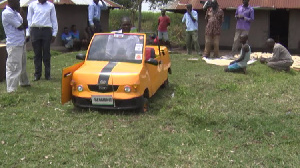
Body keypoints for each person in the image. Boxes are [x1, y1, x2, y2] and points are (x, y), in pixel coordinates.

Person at [2, 0, 30, 93]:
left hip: (21, 42)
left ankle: (24, 82)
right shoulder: (7, 13)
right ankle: (11, 89)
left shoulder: (16, 13)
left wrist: (21, 14)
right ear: (10, 2)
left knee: (22, 64)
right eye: (17, 2)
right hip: (14, 44)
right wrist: (23, 14)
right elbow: (21, 26)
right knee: (14, 66)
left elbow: (25, 25)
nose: (19, 4)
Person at [27, 0, 58, 81]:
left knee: (46, 53)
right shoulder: (32, 5)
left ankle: (47, 75)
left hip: (46, 30)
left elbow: (54, 20)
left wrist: (54, 33)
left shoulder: (51, 6)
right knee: (37, 53)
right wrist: (28, 33)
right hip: (35, 30)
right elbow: (29, 20)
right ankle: (37, 74)